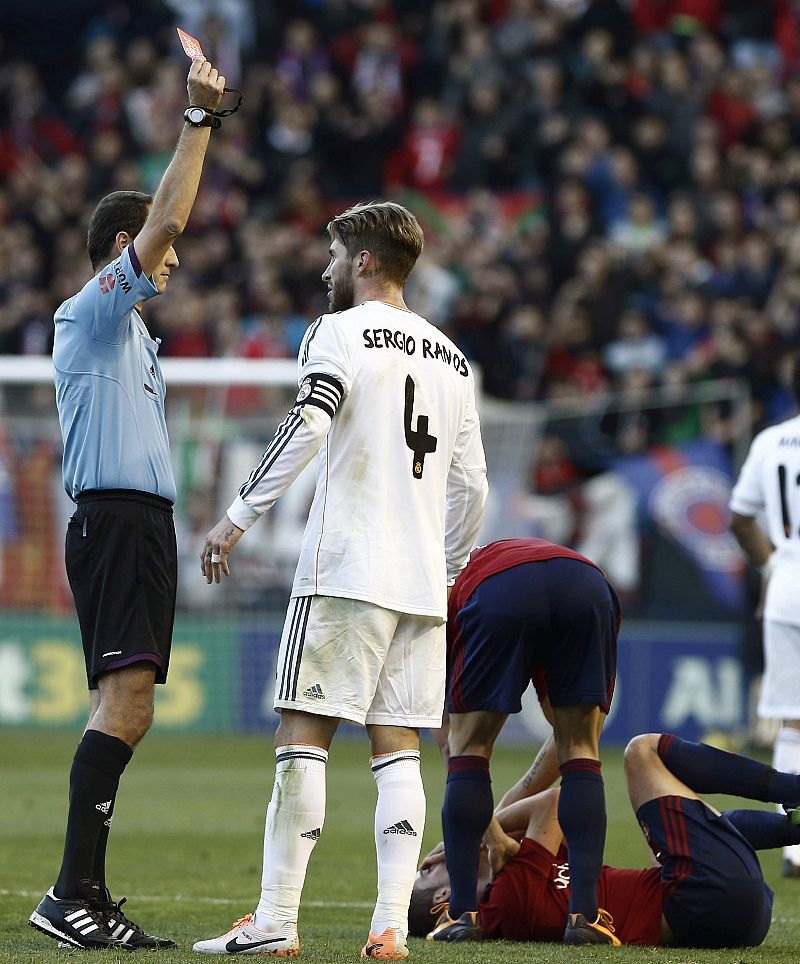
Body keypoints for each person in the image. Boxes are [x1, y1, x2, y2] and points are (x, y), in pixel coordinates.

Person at [192, 201, 488, 959]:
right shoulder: (453, 358)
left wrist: (236, 516)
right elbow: (472, 487)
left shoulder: (336, 331)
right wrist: (445, 568)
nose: (325, 268)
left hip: (348, 565)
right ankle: (390, 927)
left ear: (362, 262)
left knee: (304, 736)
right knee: (399, 750)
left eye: (333, 255)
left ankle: (274, 921)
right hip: (420, 585)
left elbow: (310, 422)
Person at [28, 58, 228, 951]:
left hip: (141, 527)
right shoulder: (92, 314)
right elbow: (171, 216)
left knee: (129, 707)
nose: (173, 263)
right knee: (126, 708)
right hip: (114, 521)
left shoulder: (136, 337)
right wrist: (198, 117)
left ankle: (79, 893)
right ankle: (72, 896)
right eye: (158, 251)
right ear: (124, 249)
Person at [410, 733, 799, 947]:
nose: (432, 858)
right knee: (643, 752)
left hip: (732, 918)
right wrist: (484, 827)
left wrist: (574, 731)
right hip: (703, 898)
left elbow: (537, 782)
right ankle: (791, 787)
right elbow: (555, 803)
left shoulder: (509, 873)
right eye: (425, 871)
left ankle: (793, 826)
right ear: (443, 899)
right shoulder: (506, 900)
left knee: (707, 829)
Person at [428, 538, 620, 945]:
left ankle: (462, 913)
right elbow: (568, 743)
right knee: (581, 746)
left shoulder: (443, 596)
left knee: (470, 747)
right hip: (586, 581)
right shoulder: (518, 557)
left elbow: (451, 742)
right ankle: (585, 916)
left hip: (498, 589)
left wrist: (490, 827)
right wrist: (496, 820)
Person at [730, 356, 800, 876]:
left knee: (792, 721)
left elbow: (740, 517)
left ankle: (794, 844)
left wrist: (772, 567)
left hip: (786, 592)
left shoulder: (771, 441)